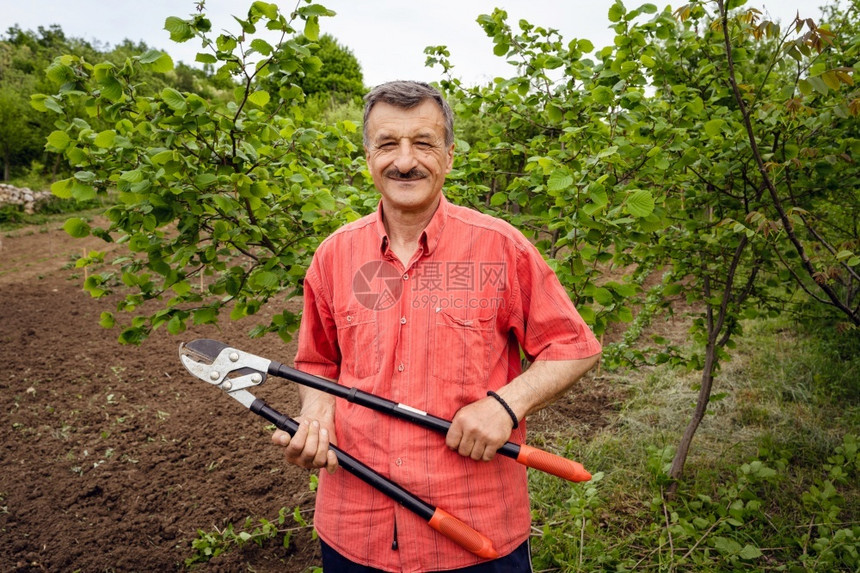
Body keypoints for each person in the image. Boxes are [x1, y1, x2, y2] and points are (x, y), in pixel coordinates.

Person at [272, 80, 602, 572]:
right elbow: (317, 362)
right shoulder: (334, 256)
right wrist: (318, 415)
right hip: (355, 526)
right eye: (387, 144)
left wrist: (505, 406)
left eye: (423, 142)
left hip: (476, 527)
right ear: (368, 157)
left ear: (448, 155)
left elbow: (574, 345)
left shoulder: (500, 248)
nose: (405, 160)